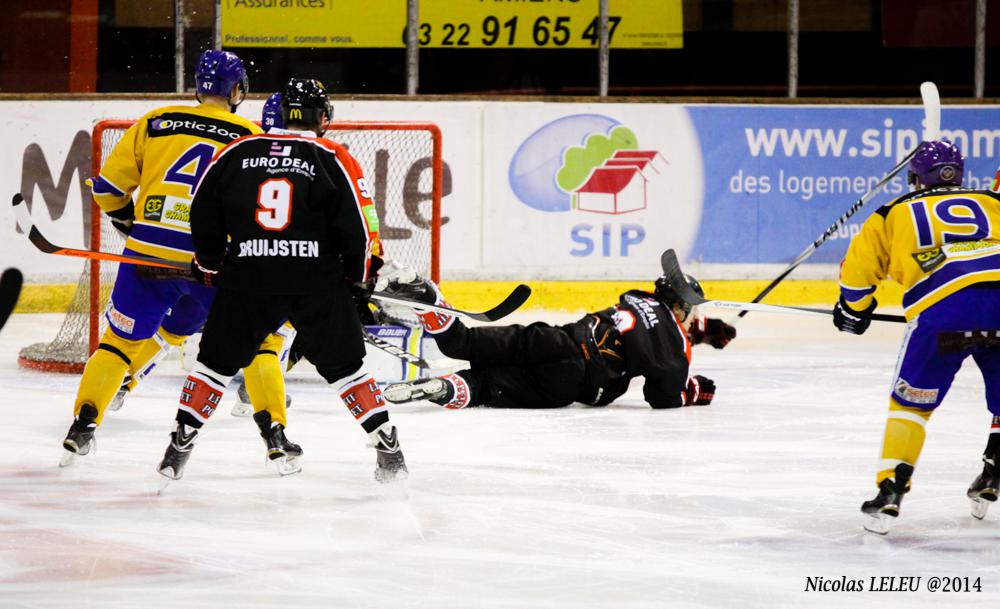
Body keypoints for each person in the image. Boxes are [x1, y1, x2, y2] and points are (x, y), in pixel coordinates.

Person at [156, 77, 407, 485]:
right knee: (347, 370)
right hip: (316, 281)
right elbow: (359, 229)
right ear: (322, 117)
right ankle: (387, 448)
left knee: (215, 365)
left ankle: (179, 444)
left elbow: (202, 211)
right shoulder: (332, 155)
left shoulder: (236, 151)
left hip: (249, 278)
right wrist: (359, 275)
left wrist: (210, 262)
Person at [59, 49, 292, 467]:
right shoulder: (249, 136)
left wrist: (131, 222)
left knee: (118, 342)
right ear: (237, 89)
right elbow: (259, 211)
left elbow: (108, 189)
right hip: (210, 263)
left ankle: (83, 424)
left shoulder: (156, 122)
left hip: (146, 254)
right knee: (259, 343)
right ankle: (274, 434)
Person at [833, 139, 1000, 534]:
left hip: (944, 311)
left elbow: (857, 278)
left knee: (911, 406)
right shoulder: (994, 201)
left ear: (914, 177)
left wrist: (853, 312)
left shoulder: (891, 213)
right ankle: (994, 469)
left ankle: (891, 490)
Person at [379, 267, 732, 410]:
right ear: (682, 306)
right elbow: (662, 395)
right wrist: (696, 389)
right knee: (486, 387)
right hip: (574, 382)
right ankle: (443, 388)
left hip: (555, 340)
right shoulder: (677, 350)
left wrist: (702, 331)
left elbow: (650, 326)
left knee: (463, 342)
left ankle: (427, 300)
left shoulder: (638, 297)